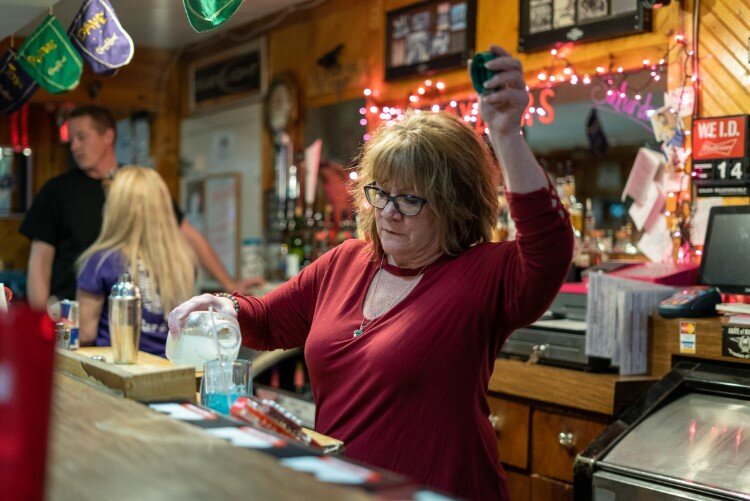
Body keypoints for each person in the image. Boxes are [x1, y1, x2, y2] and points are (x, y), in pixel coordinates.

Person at [169, 45, 574, 500]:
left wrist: (506, 134)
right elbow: (264, 319)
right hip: (343, 489)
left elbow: (550, 247)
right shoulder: (345, 262)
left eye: (411, 200)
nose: (389, 212)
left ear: (455, 207)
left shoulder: (481, 274)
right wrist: (219, 306)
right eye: (380, 193)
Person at [19, 105, 259, 310]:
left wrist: (229, 283)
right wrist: (42, 325)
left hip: (134, 314)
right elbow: (39, 264)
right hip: (76, 318)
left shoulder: (139, 184)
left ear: (108, 137)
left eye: (81, 137)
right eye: (71, 139)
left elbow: (189, 235)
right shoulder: (57, 190)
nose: (74, 146)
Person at [77, 166, 195, 356]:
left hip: (120, 372)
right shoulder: (182, 260)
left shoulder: (102, 261)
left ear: (118, 211)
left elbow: (84, 333)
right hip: (170, 372)